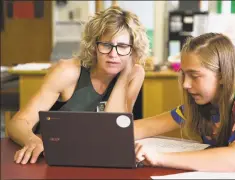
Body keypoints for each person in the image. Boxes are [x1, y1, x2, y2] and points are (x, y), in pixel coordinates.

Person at [8, 6, 149, 164]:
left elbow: (113, 132)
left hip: (97, 159)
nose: (113, 54)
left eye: (123, 47)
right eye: (106, 45)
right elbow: (18, 122)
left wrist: (124, 76)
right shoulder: (67, 71)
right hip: (53, 158)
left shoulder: (134, 74)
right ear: (94, 46)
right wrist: (32, 140)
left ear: (133, 51)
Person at [134, 33, 235, 175]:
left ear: (223, 75)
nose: (185, 84)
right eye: (183, 74)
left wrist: (159, 158)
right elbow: (145, 127)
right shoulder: (206, 103)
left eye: (194, 76)